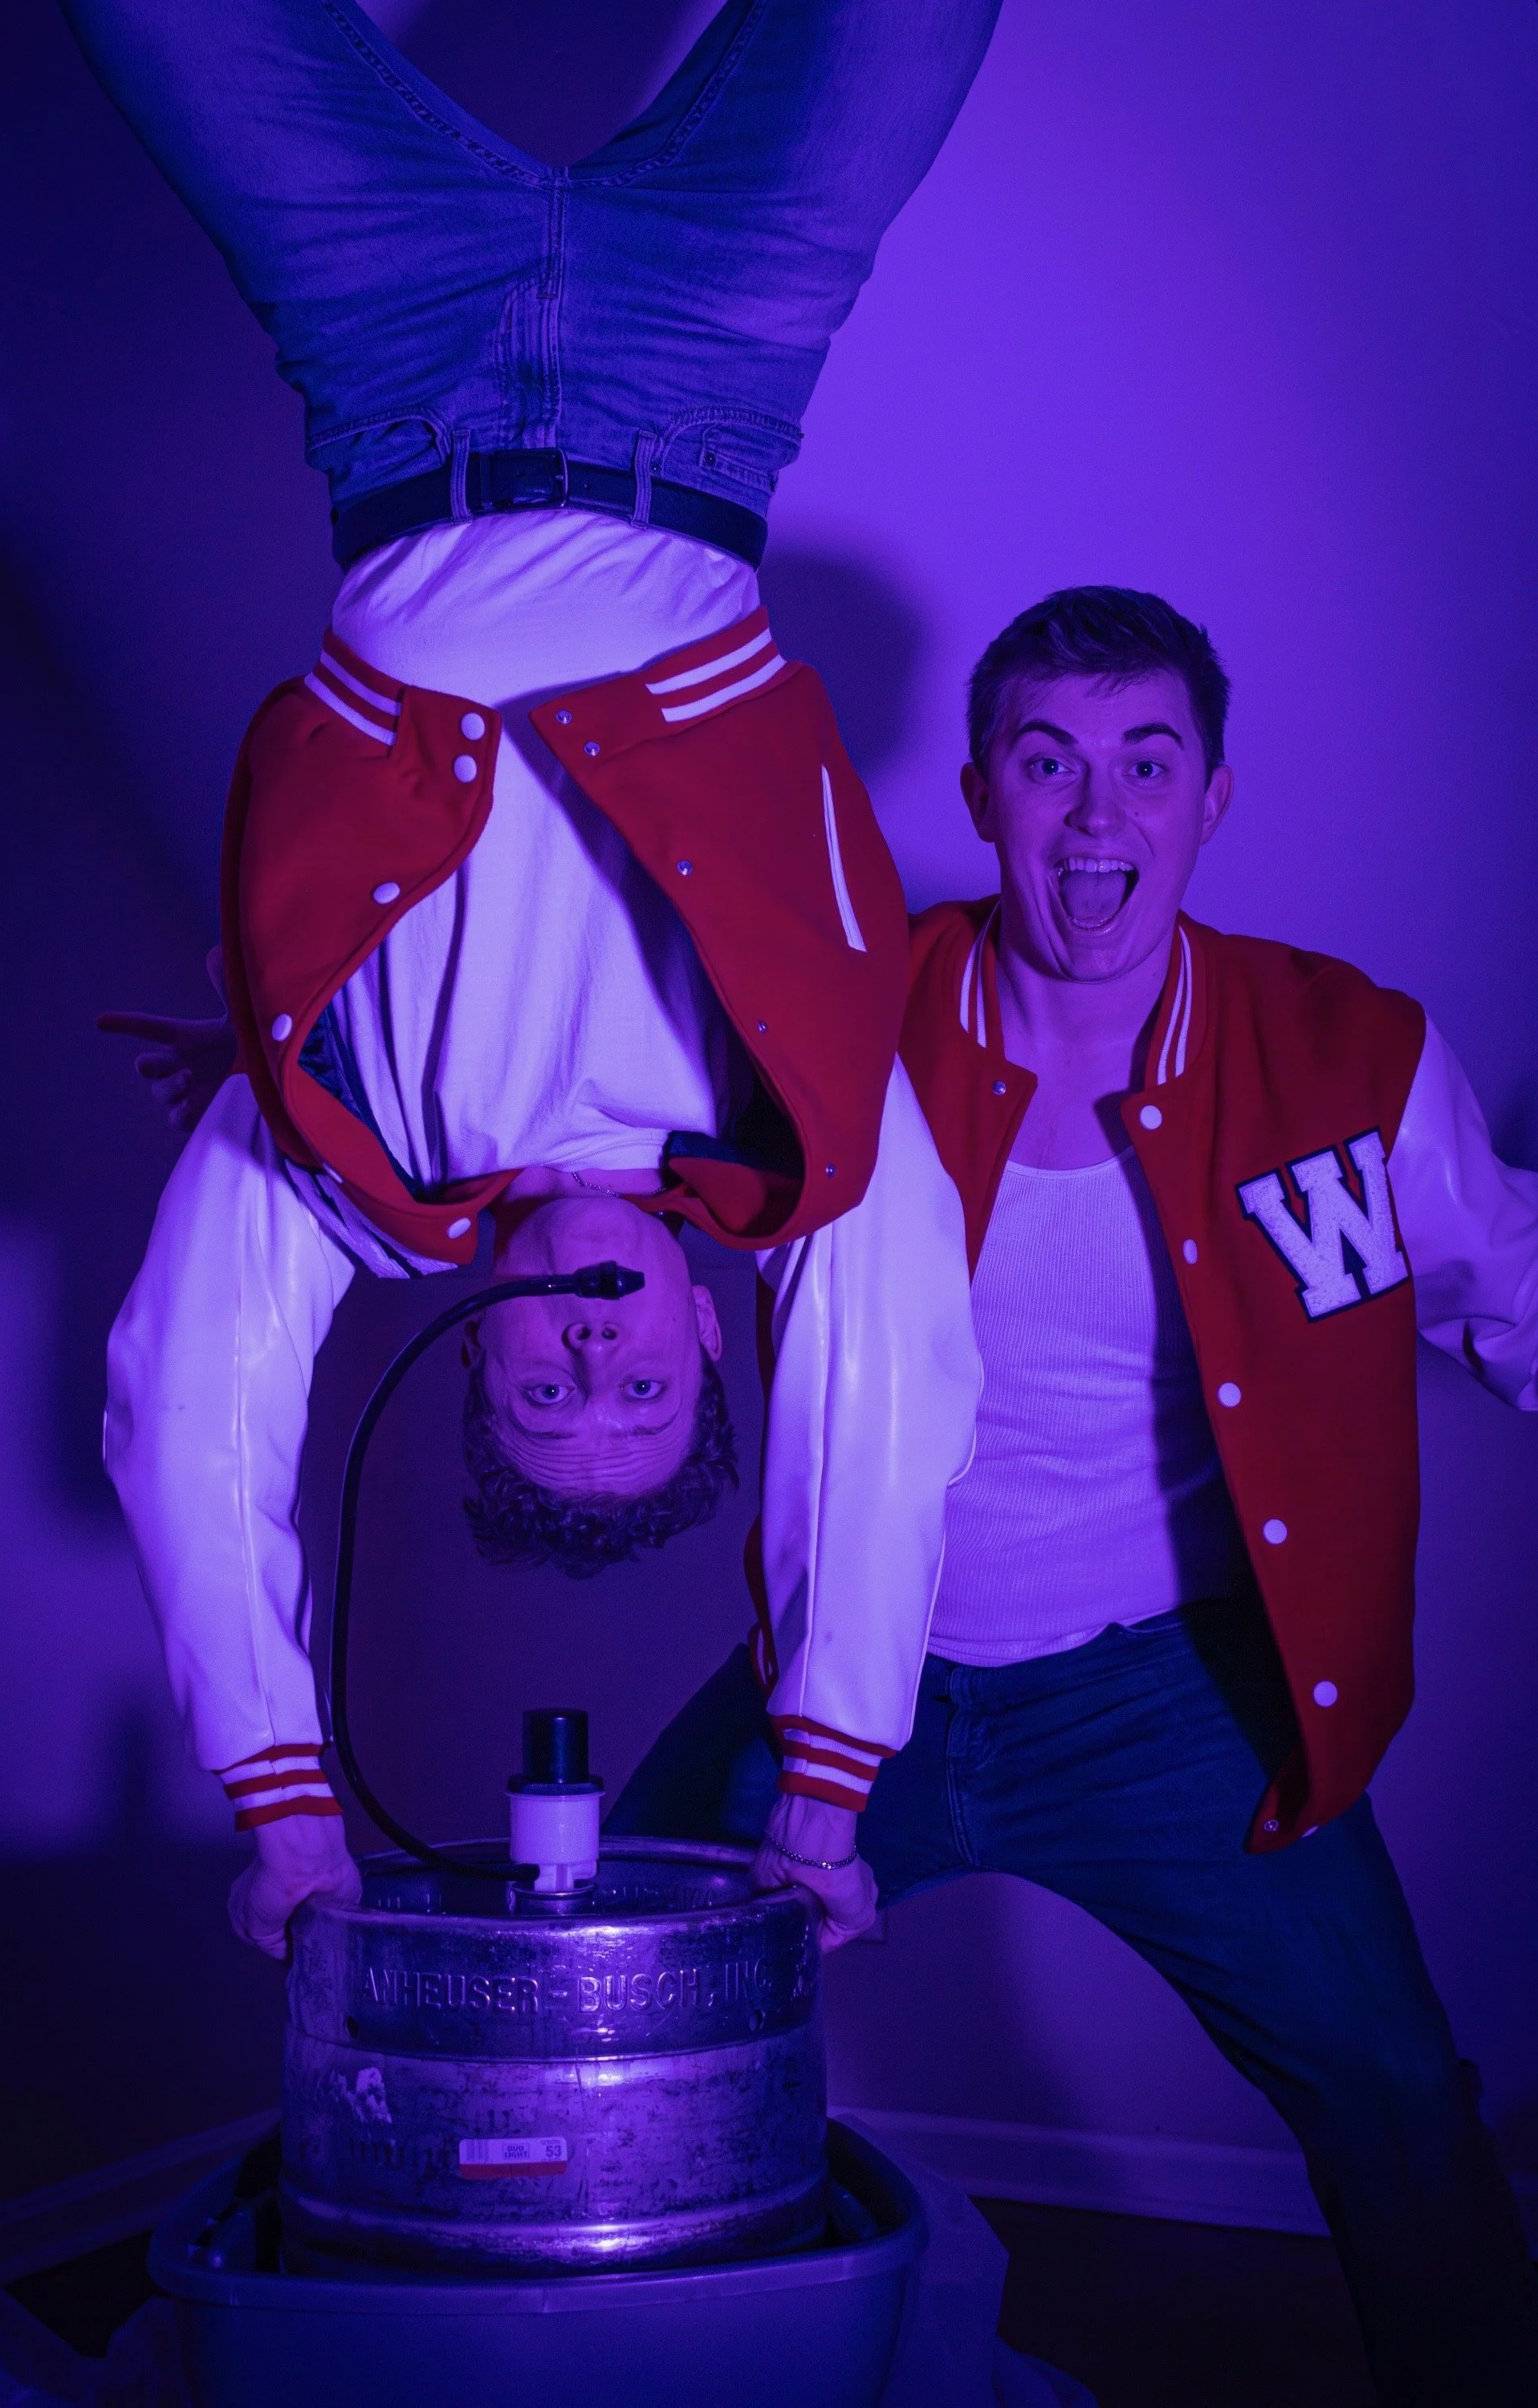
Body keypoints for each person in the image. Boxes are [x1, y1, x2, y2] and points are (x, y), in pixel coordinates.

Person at [71, 0, 999, 1957]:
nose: (595, 1353)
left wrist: (292, 1824)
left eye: (547, 1382)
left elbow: (187, 1411)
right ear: (702, 1326)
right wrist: (826, 1789)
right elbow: (896, 1398)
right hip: (719, 363)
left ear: (463, 1332)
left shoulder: (345, 1166)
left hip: (383, 354)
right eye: (644, 1382)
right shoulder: (811, 1147)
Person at [610, 586, 1538, 2404]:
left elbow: (1504, 1285)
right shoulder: (840, 1006)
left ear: (1211, 798)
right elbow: (579, 1108)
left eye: (1143, 764)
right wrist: (302, 1078)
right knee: (615, 1984)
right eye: (1048, 764)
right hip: (846, 1690)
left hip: (1158, 1698)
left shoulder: (1344, 1054)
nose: (1094, 816)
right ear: (979, 790)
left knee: (1395, 2101)